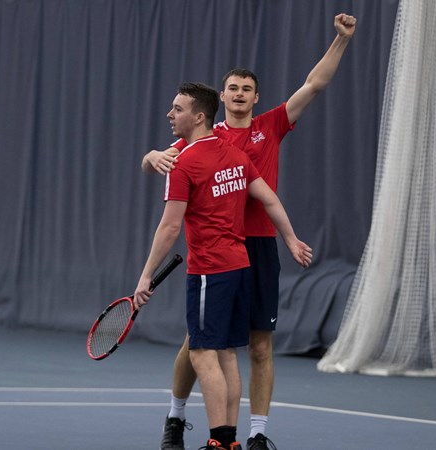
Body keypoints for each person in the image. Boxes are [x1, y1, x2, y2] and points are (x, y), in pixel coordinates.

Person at [143, 14, 356, 450]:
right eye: (233, 88)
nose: (239, 94)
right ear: (222, 96)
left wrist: (341, 40)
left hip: (257, 249)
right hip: (220, 250)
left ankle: (253, 436)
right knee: (198, 342)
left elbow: (314, 84)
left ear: (256, 97)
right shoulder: (205, 137)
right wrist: (149, 156)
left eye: (247, 89)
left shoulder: (271, 127)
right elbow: (160, 160)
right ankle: (176, 418)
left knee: (258, 347)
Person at [133, 82, 312, 450]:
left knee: (201, 353)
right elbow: (270, 199)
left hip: (208, 270)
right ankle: (229, 441)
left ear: (199, 117)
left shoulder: (184, 164)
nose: (170, 115)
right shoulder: (234, 156)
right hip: (239, 266)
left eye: (177, 109)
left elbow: (169, 227)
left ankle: (219, 440)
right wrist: (291, 238)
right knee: (228, 353)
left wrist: (146, 274)